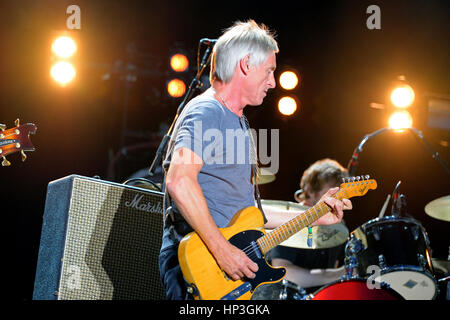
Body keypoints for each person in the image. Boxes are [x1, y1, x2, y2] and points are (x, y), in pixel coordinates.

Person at [158, 20, 352, 300]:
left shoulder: (237, 121)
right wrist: (223, 252)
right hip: (203, 265)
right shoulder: (207, 111)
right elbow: (179, 181)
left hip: (227, 270)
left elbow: (251, 215)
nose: (273, 82)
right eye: (269, 70)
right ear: (246, 64)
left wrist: (315, 215)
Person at [268, 159, 349, 291]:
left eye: (342, 192)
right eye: (333, 191)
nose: (339, 197)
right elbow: (283, 272)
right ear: (312, 191)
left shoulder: (339, 226)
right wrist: (337, 275)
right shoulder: (291, 218)